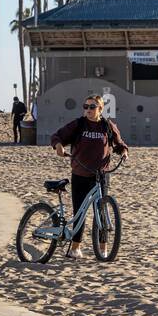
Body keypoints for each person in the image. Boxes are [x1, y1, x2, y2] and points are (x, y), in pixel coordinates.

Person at [50, 94, 131, 259]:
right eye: (85, 106)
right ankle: (75, 248)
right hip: (80, 174)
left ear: (100, 109)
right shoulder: (78, 124)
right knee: (79, 212)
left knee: (101, 212)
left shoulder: (107, 126)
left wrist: (123, 151)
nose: (88, 110)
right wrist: (58, 145)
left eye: (92, 107)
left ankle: (103, 249)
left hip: (100, 175)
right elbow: (57, 136)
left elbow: (119, 143)